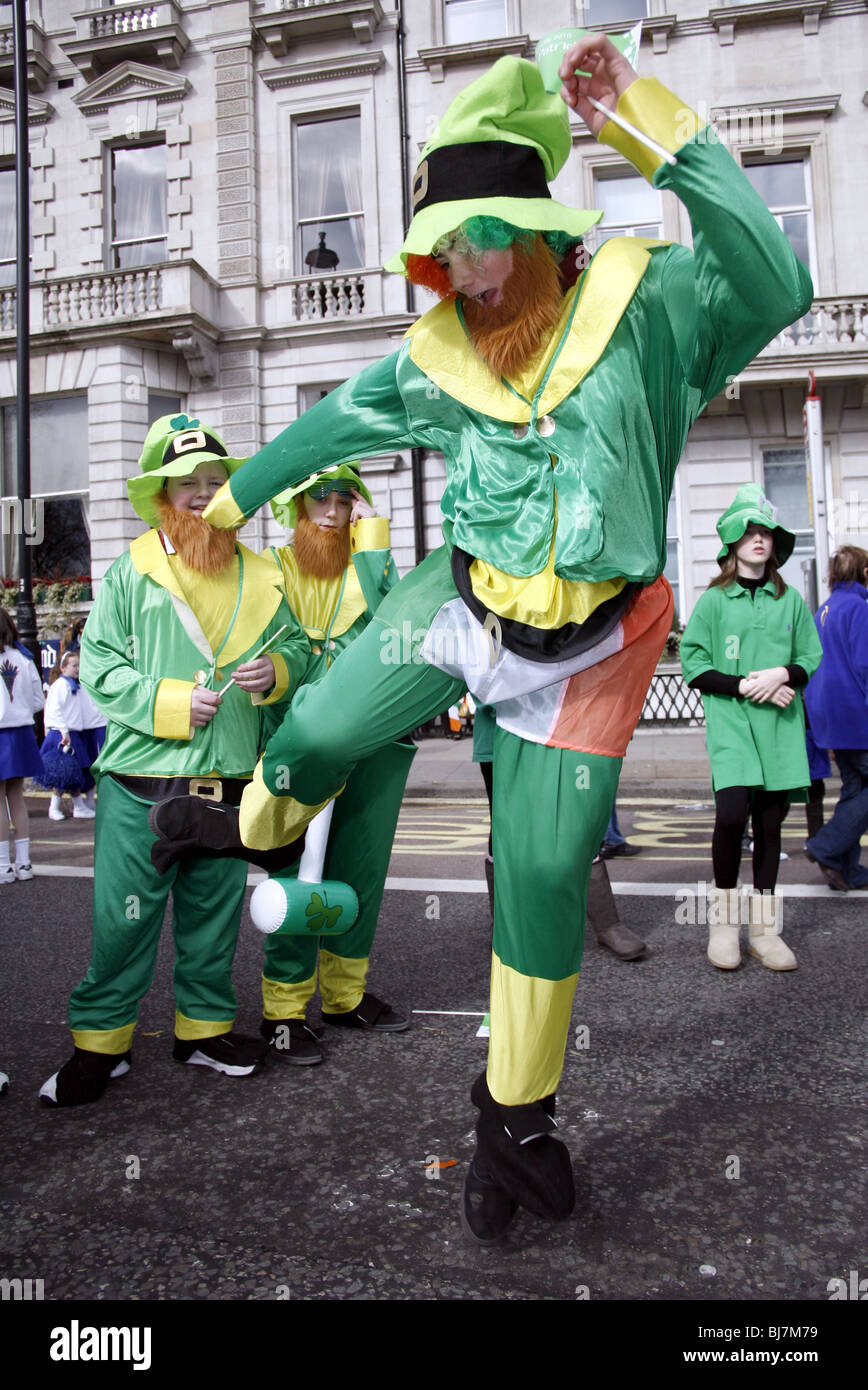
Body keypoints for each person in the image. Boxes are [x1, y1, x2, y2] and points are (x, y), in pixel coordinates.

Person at [152, 39, 812, 1241]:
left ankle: (515, 1113)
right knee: (317, 732)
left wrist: (649, 124)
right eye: (441, 245)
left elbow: (775, 284)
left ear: (537, 229)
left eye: (474, 238)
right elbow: (327, 425)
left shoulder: (650, 303)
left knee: (549, 880)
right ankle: (238, 818)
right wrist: (234, 506)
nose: (454, 267)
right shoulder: (433, 358)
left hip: (595, 650)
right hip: (457, 608)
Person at [39, 414, 309, 1107]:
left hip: (224, 784)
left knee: (212, 922)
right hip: (140, 788)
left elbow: (303, 653)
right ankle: (100, 1044)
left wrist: (276, 669)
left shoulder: (264, 570)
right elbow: (98, 663)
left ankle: (205, 1030)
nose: (202, 493)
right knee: (122, 923)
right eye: (186, 483)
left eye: (215, 482)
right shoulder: (131, 569)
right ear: (162, 495)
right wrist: (167, 702)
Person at [256, 465, 415, 1061]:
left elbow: (399, 626)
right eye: (316, 499)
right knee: (299, 871)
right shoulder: (271, 568)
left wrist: (376, 550)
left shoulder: (371, 561)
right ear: (296, 507)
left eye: (343, 499)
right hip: (301, 739)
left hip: (372, 740)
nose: (330, 510)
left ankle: (345, 996)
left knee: (360, 870)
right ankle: (284, 1009)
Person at [681, 485, 822, 971]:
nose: (759, 539)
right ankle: (724, 927)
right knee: (731, 816)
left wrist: (783, 676)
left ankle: (764, 932)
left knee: (769, 824)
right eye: (750, 531)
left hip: (781, 727)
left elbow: (809, 656)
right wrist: (747, 685)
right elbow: (694, 665)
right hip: (732, 726)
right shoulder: (715, 601)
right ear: (732, 544)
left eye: (765, 531)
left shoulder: (791, 600)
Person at [803, 545, 868, 891]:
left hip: (829, 715)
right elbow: (865, 666)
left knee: (854, 789)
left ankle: (847, 869)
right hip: (857, 716)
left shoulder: (823, 609)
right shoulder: (860, 608)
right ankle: (825, 847)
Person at [0, 610, 45, 884]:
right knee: (17, 798)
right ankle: (25, 863)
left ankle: (4, 865)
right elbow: (38, 700)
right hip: (22, 732)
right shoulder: (25, 658)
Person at [34, 648, 96, 820]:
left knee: (72, 773)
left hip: (73, 734)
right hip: (63, 735)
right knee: (61, 772)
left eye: (79, 665)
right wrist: (64, 730)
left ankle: (78, 806)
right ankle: (55, 808)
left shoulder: (75, 685)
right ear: (63, 668)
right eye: (74, 665)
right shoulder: (61, 685)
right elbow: (54, 710)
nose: (77, 668)